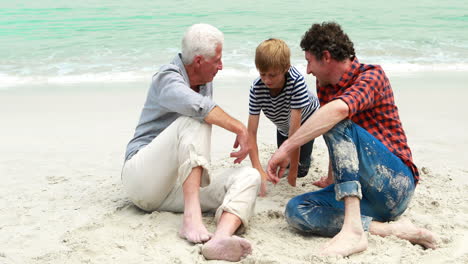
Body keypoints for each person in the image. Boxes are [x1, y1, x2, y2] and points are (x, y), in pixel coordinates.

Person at [266, 22, 437, 257]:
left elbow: (338, 114)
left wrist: (286, 147)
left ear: (325, 57)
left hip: (396, 184)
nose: (307, 70)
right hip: (364, 196)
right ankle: (388, 230)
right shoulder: (326, 85)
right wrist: (330, 178)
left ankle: (353, 231)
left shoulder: (372, 75)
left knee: (335, 115)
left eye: (309, 61)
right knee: (297, 210)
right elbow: (337, 139)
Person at [121, 23, 260, 262]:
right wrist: (240, 127)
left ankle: (219, 239)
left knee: (249, 176)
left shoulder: (205, 80)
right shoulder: (167, 78)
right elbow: (200, 109)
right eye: (217, 60)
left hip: (177, 188)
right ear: (198, 61)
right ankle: (191, 219)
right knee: (195, 119)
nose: (221, 65)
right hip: (142, 180)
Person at [248, 38, 320, 196]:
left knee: (300, 169)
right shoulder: (257, 88)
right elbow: (251, 132)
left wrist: (292, 177)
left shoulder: (296, 81)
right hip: (283, 124)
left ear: (286, 68)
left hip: (307, 121)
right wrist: (258, 171)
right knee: (282, 162)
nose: (267, 80)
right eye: (262, 74)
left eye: (273, 75)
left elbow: (295, 133)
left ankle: (305, 159)